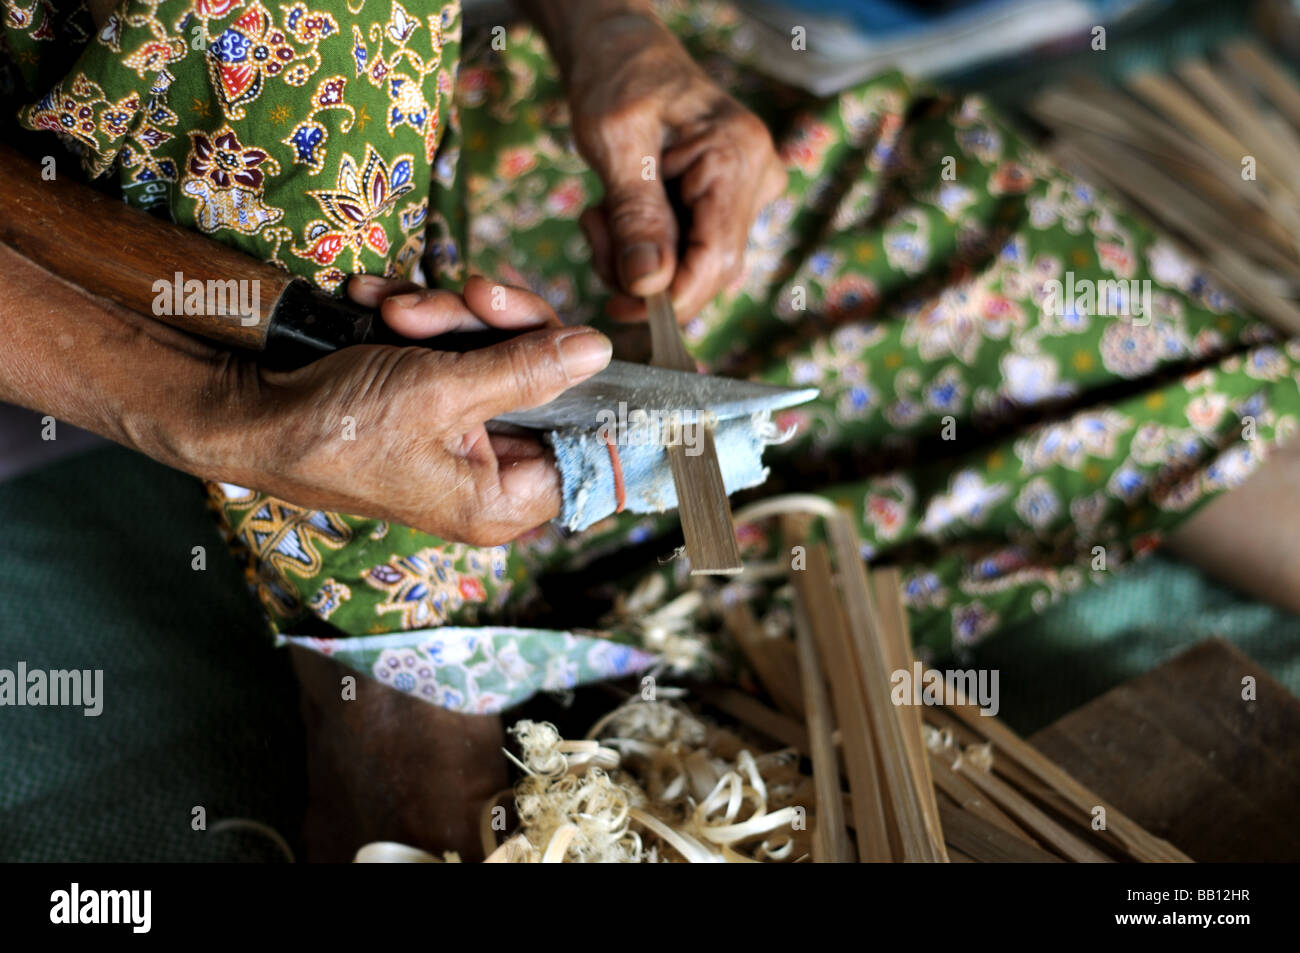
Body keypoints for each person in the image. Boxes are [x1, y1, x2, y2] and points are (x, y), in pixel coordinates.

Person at [2, 0, 1297, 859]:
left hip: (431, 84)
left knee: (975, 259)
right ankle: (398, 665)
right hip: (157, 118)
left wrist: (611, 32)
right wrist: (220, 412)